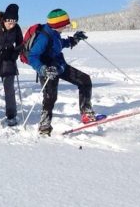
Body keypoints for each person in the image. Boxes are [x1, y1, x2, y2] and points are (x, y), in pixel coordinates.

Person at [27, 8, 98, 136]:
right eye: (65, 24)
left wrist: (73, 40)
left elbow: (58, 44)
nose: (66, 27)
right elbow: (33, 56)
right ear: (58, 25)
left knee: (84, 80)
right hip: (48, 70)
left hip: (60, 66)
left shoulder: (54, 33)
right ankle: (44, 124)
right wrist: (43, 69)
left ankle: (86, 112)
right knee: (50, 97)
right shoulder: (43, 37)